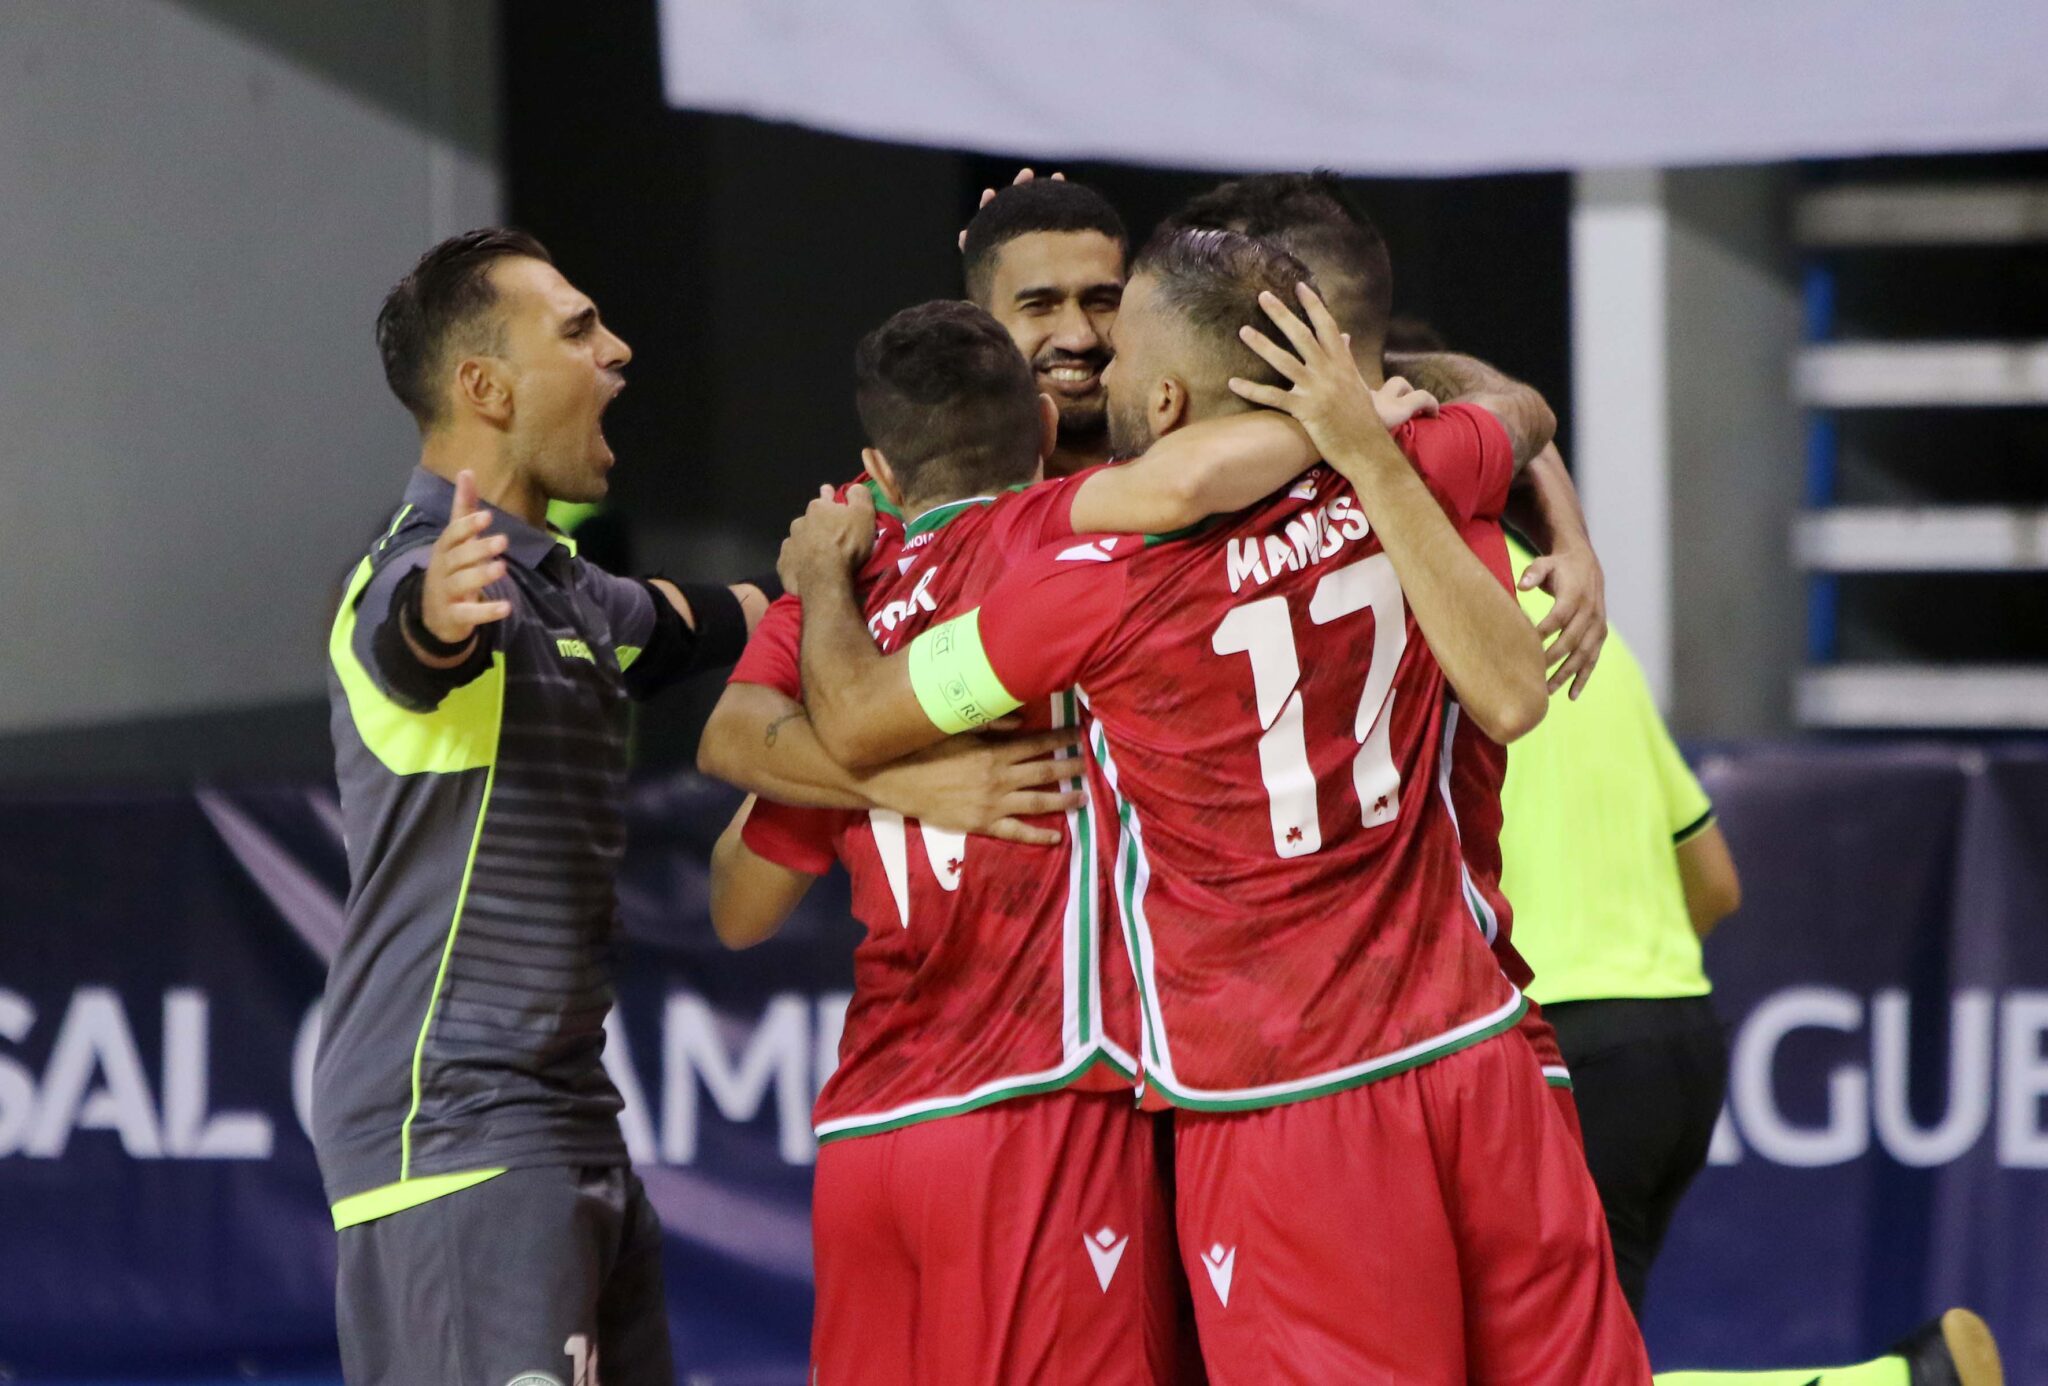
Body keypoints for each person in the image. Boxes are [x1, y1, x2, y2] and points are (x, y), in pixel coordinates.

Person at [776, 228, 1646, 1381]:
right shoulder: (1417, 468)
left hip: (1280, 1099)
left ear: (1168, 395)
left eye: (1121, 348)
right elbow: (1517, 409)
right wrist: (1396, 444)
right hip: (1474, 1046)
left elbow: (849, 718)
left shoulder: (1088, 592)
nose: (1094, 367)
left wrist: (818, 590)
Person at [704, 299, 1436, 1382]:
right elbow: (1189, 483)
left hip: (870, 1130)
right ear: (1047, 430)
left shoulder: (836, 630)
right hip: (1041, 1100)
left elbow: (737, 905)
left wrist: (875, 766)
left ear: (878, 474)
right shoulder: (1064, 542)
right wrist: (1361, 416)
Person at [315, 228, 770, 1386]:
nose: (616, 350)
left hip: (569, 1125)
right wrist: (437, 615)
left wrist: (893, 536)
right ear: (485, 387)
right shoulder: (418, 574)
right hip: (458, 1137)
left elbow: (722, 617)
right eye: (576, 330)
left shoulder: (568, 590)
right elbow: (410, 644)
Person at [960, 176, 1129, 476]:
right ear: (978, 329)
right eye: (1039, 305)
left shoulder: (1215, 488)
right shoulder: (905, 507)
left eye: (1101, 301)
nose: (1079, 338)